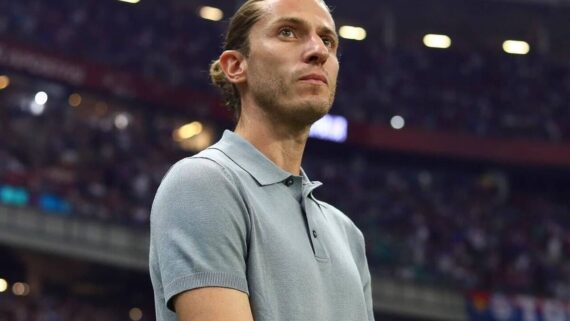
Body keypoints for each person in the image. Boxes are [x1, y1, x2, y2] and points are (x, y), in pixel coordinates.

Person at [149, 0, 374, 320]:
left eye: (327, 40)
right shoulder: (204, 182)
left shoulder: (348, 235)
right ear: (236, 66)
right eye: (288, 32)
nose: (318, 51)